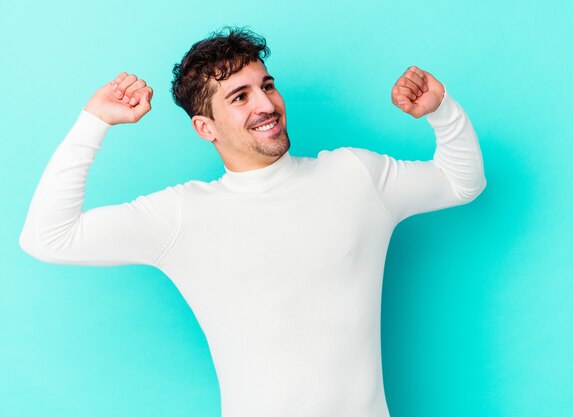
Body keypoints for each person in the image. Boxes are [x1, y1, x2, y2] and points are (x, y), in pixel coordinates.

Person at [19, 26, 486, 417]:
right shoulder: (181, 216)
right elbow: (48, 238)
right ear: (207, 127)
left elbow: (460, 182)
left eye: (266, 86)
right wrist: (94, 121)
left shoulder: (354, 175)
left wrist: (442, 112)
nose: (265, 105)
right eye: (239, 97)